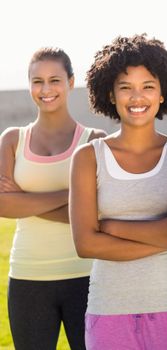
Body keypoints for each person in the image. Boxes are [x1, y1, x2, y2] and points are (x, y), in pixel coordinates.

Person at [70, 34, 167, 350]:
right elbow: (86, 244)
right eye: (125, 87)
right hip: (108, 312)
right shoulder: (88, 157)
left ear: (162, 93)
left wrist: (113, 229)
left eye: (148, 86)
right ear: (111, 95)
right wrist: (166, 233)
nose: (137, 97)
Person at [0, 47, 105, 350]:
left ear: (71, 82)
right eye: (37, 81)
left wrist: (24, 200)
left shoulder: (94, 140)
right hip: (27, 277)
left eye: (54, 80)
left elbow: (97, 214)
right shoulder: (12, 139)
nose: (45, 90)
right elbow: (3, 205)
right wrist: (73, 198)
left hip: (85, 277)